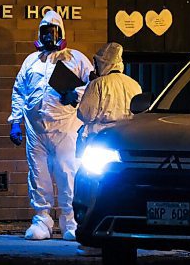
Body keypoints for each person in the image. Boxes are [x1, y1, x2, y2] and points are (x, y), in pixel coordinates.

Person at [8, 10, 93, 241]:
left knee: (68, 173)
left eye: (53, 32)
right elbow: (19, 91)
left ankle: (70, 221)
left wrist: (74, 95)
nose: (48, 37)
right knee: (38, 175)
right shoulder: (31, 61)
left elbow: (93, 86)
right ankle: (42, 220)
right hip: (36, 131)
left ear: (62, 32)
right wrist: (15, 121)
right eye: (45, 32)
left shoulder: (76, 59)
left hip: (66, 128)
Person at [75, 42, 141, 255]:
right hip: (125, 145)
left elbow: (85, 114)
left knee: (93, 191)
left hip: (98, 141)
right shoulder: (133, 84)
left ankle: (93, 238)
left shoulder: (98, 85)